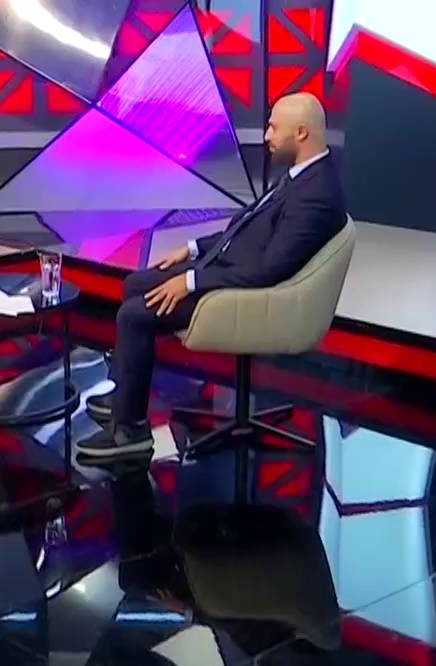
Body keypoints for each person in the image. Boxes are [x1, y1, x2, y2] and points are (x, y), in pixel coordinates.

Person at [76, 92, 346, 461]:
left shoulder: (316, 195)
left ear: (301, 133)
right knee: (135, 284)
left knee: (135, 315)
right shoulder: (301, 175)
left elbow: (270, 270)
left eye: (273, 128)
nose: (266, 136)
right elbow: (248, 229)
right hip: (231, 268)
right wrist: (192, 249)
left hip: (251, 292)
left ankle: (130, 432)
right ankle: (126, 393)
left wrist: (190, 281)